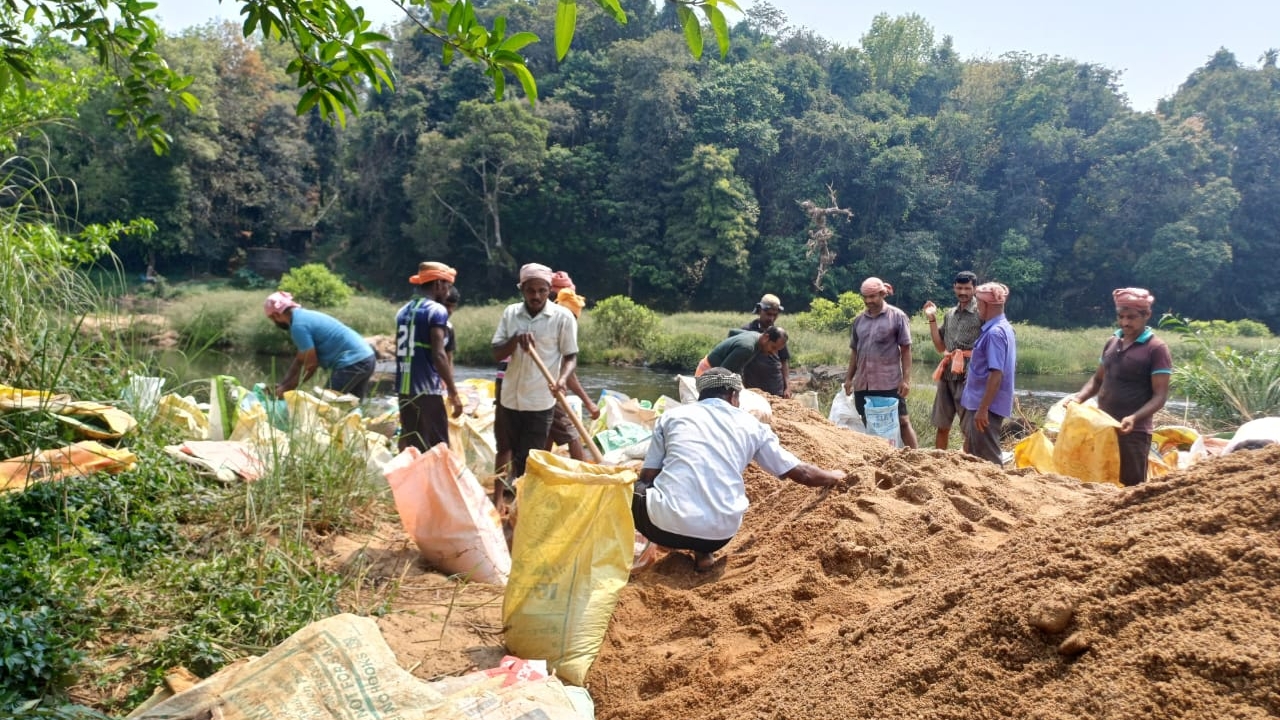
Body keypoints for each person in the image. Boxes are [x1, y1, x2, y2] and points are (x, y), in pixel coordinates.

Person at [633, 368, 844, 571]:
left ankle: (637, 552)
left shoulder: (672, 417)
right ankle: (703, 554)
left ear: (701, 394)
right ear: (734, 395)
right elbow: (802, 473)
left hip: (662, 528)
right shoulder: (753, 426)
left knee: (633, 487)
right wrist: (833, 476)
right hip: (719, 535)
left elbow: (648, 476)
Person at [491, 263, 580, 496]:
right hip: (509, 397)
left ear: (549, 290)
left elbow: (571, 357)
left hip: (540, 401)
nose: (536, 296)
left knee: (530, 458)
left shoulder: (562, 318)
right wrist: (515, 341)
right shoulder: (511, 314)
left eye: (542, 291)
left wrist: (561, 380)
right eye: (531, 291)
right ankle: (498, 502)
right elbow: (497, 352)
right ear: (522, 289)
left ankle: (523, 505)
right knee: (504, 450)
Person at [1068, 287, 1172, 485]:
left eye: (1131, 317)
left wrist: (1134, 417)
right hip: (1103, 428)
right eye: (1121, 316)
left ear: (1147, 315)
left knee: (1131, 487)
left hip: (1134, 432)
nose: (1125, 322)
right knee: (1101, 481)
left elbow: (1160, 396)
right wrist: (1078, 398)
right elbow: (1098, 380)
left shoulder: (1156, 348)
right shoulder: (1112, 342)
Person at [394, 262, 463, 452]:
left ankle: (408, 481)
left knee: (412, 444)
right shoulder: (436, 310)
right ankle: (433, 482)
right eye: (447, 286)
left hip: (404, 389)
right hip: (427, 390)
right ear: (438, 284)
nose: (448, 292)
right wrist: (453, 392)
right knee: (438, 446)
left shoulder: (403, 311)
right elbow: (439, 354)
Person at [843, 277, 918, 449]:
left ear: (882, 294)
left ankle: (918, 457)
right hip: (864, 383)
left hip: (889, 382)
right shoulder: (858, 321)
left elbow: (906, 350)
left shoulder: (897, 316)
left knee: (903, 421)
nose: (869, 301)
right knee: (868, 422)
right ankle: (879, 457)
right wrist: (849, 379)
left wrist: (906, 380)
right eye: (866, 297)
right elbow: (855, 351)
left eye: (873, 296)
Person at [264, 291, 376, 400]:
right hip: (367, 357)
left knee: (327, 407)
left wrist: (287, 388)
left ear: (276, 315)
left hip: (352, 363)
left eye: (272, 319)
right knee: (351, 406)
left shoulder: (298, 326)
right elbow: (300, 360)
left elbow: (311, 365)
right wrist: (283, 384)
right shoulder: (304, 317)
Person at [922, 271, 982, 450]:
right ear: (954, 288)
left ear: (975, 289)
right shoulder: (950, 314)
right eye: (959, 288)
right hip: (947, 374)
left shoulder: (981, 313)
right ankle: (939, 464)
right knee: (942, 425)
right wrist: (932, 319)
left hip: (968, 375)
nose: (963, 292)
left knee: (968, 429)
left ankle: (966, 465)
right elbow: (940, 347)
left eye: (967, 288)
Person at [545, 271, 600, 461]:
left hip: (548, 391)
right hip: (549, 392)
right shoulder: (557, 323)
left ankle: (532, 472)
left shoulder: (550, 321)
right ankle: (582, 474)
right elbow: (569, 375)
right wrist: (589, 402)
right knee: (573, 433)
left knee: (547, 436)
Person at [960, 282, 1017, 465]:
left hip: (986, 406)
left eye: (978, 304)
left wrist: (983, 409)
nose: (976, 308)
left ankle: (998, 492)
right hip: (982, 404)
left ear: (985, 305)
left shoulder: (995, 333)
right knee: (974, 454)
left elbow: (996, 374)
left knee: (989, 460)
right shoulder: (1003, 328)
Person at [740, 294, 792, 397]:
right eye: (768, 314)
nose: (771, 319)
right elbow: (739, 362)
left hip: (775, 386)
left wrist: (787, 387)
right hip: (752, 387)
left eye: (775, 315)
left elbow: (783, 360)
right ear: (759, 311)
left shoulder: (777, 334)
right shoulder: (747, 331)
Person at [700, 327, 788, 377]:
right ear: (766, 337)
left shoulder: (756, 335)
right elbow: (722, 374)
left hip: (714, 369)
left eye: (777, 350)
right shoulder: (747, 348)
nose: (773, 353)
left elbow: (732, 332)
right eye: (773, 347)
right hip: (708, 371)